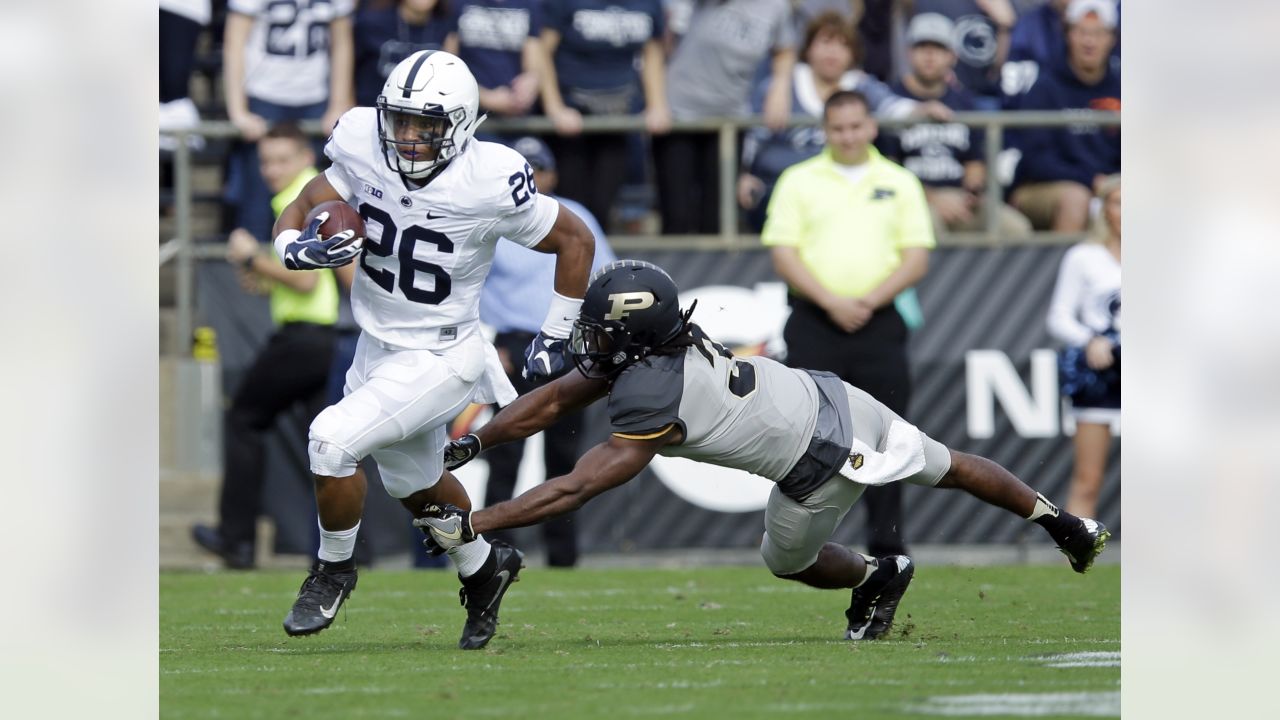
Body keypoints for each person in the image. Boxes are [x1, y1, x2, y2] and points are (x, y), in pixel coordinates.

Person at [419, 260, 1111, 641]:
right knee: (949, 464)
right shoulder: (651, 352)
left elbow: (577, 486)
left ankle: (877, 575)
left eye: (601, 330)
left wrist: (476, 523)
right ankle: (1065, 523)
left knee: (786, 560)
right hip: (830, 395)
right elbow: (552, 399)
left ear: (635, 335)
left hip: (821, 456)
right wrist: (477, 437)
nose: (590, 341)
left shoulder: (651, 395)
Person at [268, 50, 596, 648]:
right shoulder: (363, 139)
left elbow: (574, 240)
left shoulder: (489, 177)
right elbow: (306, 198)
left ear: (464, 123)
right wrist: (293, 244)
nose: (410, 138)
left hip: (443, 352)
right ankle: (483, 567)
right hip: (378, 343)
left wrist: (558, 332)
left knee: (331, 441)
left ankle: (334, 568)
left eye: (428, 125)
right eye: (401, 121)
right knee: (413, 483)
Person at [761, 89, 932, 559]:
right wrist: (832, 302)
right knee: (809, 439)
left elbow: (916, 257)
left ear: (871, 126)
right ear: (825, 130)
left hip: (880, 323)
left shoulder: (899, 181)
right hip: (814, 322)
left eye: (856, 126)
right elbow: (783, 252)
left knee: (890, 437)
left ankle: (888, 546)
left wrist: (868, 300)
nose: (848, 136)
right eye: (838, 128)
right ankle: (806, 546)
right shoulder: (798, 180)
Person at [192, 122, 350, 569]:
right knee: (330, 448)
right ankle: (344, 551)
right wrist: (261, 273)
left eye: (281, 159)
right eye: (264, 161)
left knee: (243, 419)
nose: (269, 170)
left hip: (306, 335)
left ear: (305, 158)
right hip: (323, 338)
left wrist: (251, 259)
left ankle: (236, 539)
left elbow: (306, 282)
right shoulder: (311, 193)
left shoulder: (304, 198)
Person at [478, 137, 617, 566]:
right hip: (514, 344)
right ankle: (492, 551)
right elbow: (469, 286)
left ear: (553, 174)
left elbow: (606, 277)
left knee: (566, 456)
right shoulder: (493, 219)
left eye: (540, 169)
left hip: (571, 346)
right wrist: (487, 343)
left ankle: (563, 556)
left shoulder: (575, 217)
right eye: (528, 170)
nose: (535, 178)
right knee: (504, 452)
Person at [738, 11, 951, 232]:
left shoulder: (861, 85)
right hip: (781, 187)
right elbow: (753, 139)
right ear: (809, 48)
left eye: (842, 45)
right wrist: (744, 175)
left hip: (845, 188)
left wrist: (922, 109)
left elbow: (893, 107)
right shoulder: (780, 88)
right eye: (825, 42)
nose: (832, 52)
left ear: (852, 54)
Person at [879, 13, 1031, 237]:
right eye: (922, 47)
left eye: (938, 48)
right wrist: (932, 197)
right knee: (927, 227)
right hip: (913, 199)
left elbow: (975, 162)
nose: (930, 56)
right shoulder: (891, 100)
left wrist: (972, 189)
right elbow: (887, 171)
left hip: (960, 198)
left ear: (953, 56)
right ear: (908, 53)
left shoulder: (964, 103)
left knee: (1016, 229)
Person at [652, 0, 795, 235]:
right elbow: (656, 45)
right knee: (678, 217)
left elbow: (785, 49)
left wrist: (780, 86)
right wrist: (656, 103)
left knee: (717, 220)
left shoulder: (775, 6)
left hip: (730, 121)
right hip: (678, 116)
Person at [223, 0, 356, 243]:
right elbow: (235, 40)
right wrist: (238, 109)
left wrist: (338, 103)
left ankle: (310, 266)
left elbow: (342, 41)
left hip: (315, 97)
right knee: (258, 201)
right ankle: (260, 272)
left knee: (320, 199)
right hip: (263, 95)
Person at [538, 0, 669, 229]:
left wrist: (657, 104)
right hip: (572, 118)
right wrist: (555, 107)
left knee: (601, 209)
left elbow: (652, 51)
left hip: (618, 117)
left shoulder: (648, 4)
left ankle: (597, 262)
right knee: (571, 209)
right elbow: (542, 50)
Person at [1005, 0, 1120, 232]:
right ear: (1068, 35)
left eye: (1098, 33)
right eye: (1082, 32)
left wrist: (1113, 183)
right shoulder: (1045, 87)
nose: (1090, 41)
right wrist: (1091, 180)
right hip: (1042, 187)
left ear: (1111, 39)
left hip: (1110, 185)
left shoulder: (1123, 86)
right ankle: (1066, 267)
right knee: (1076, 198)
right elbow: (1037, 161)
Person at [1046, 174, 1120, 519]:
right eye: (1119, 203)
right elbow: (1058, 317)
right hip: (1101, 375)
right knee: (1088, 479)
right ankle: (1076, 562)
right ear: (1104, 210)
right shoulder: (1084, 257)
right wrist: (1090, 341)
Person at [909, 0, 1018, 110]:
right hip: (949, 96)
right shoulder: (932, 3)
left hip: (991, 97)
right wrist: (940, 74)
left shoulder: (1007, 4)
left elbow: (1006, 69)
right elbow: (924, 42)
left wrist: (1005, 28)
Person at [353, 0, 460, 108]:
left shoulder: (448, 26)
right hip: (373, 110)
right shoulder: (369, 23)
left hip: (424, 117)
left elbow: (449, 79)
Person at [453, 0, 543, 121]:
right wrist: (484, 97)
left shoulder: (529, 4)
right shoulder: (458, 3)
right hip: (468, 115)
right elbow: (448, 62)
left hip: (516, 116)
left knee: (530, 141)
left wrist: (530, 82)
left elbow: (533, 59)